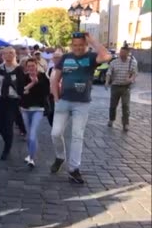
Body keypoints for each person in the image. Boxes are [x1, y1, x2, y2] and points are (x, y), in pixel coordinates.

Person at [50, 32, 112, 184]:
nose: (78, 48)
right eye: (75, 45)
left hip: (82, 103)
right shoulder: (65, 58)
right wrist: (56, 98)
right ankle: (60, 156)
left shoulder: (91, 58)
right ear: (71, 45)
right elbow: (55, 78)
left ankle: (73, 169)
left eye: (81, 45)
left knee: (77, 136)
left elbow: (106, 56)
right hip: (63, 101)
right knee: (55, 133)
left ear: (86, 45)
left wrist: (92, 41)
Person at [0, 47, 26, 160]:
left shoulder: (19, 69)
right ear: (2, 55)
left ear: (15, 55)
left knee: (9, 124)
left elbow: (22, 87)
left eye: (11, 53)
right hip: (0, 100)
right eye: (6, 53)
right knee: (0, 126)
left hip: (12, 101)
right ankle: (7, 141)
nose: (8, 55)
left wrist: (21, 101)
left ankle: (7, 148)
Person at [20, 58, 50, 168]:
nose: (31, 68)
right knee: (28, 136)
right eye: (29, 66)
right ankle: (30, 154)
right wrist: (32, 83)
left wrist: (30, 88)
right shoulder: (24, 77)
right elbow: (21, 91)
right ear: (26, 67)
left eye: (33, 66)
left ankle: (32, 159)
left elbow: (46, 92)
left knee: (32, 135)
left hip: (38, 109)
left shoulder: (43, 77)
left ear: (37, 66)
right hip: (25, 109)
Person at [105, 46, 137, 132]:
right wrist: (107, 82)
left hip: (126, 87)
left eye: (123, 53)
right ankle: (111, 120)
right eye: (121, 52)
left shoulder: (132, 63)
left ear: (127, 53)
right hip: (115, 86)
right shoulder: (114, 62)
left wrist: (130, 79)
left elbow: (134, 74)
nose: (121, 54)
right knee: (113, 105)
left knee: (125, 105)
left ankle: (125, 124)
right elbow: (109, 72)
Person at [45, 51, 64, 126]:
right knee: (50, 113)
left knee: (59, 114)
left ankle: (57, 129)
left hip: (62, 96)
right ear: (52, 59)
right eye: (55, 57)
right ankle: (54, 128)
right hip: (51, 95)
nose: (57, 59)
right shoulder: (50, 70)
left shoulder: (66, 69)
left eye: (59, 57)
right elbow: (46, 81)